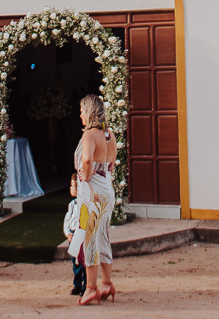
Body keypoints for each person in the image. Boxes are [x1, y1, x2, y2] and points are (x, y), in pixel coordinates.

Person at [73, 94, 117, 305]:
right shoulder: (109, 134)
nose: (80, 114)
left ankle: (91, 287)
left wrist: (87, 174)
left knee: (90, 238)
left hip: (93, 193)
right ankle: (107, 283)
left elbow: (87, 159)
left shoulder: (89, 135)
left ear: (89, 112)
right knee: (103, 236)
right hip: (107, 190)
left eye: (82, 110)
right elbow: (112, 163)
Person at [62, 173, 86, 296]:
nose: (71, 189)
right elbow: (67, 220)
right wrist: (67, 233)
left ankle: (85, 286)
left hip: (81, 234)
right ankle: (77, 285)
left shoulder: (84, 204)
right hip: (73, 234)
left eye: (73, 186)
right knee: (75, 262)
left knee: (83, 262)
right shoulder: (71, 205)